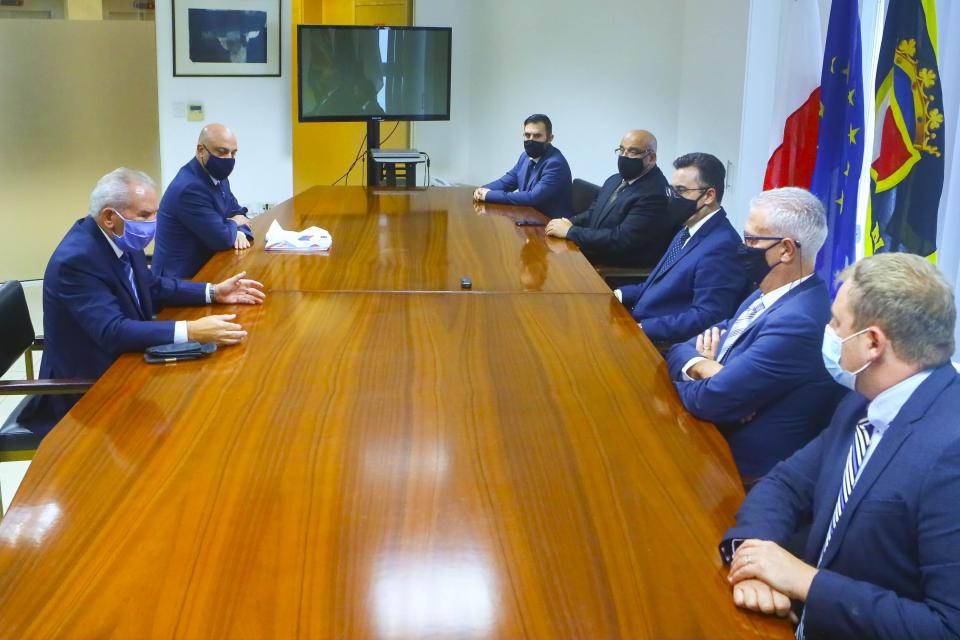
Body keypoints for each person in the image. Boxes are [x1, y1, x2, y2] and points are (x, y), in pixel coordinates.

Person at [721, 253, 960, 639]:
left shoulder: (951, 452)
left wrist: (805, 581)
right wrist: (755, 559)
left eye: (836, 322)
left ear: (872, 343)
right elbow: (786, 483)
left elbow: (947, 627)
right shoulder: (861, 400)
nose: (828, 331)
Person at [21, 168, 265, 432]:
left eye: (156, 213)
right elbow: (113, 331)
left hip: (126, 364)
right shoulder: (77, 260)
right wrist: (192, 330)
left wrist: (213, 292)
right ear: (109, 217)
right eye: (145, 215)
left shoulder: (120, 238)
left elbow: (152, 286)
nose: (154, 223)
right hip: (85, 390)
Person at [665, 188, 845, 483]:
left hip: (737, 471)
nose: (742, 247)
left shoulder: (799, 321)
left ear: (786, 249)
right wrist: (705, 367)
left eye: (751, 240)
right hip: (708, 433)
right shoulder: (766, 293)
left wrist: (715, 383)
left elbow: (712, 401)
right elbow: (682, 347)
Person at [616, 153, 748, 347]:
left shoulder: (723, 246)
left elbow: (707, 317)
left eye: (681, 190)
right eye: (671, 190)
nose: (673, 198)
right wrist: (617, 295)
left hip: (660, 344)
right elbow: (657, 283)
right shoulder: (687, 228)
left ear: (709, 195)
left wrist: (642, 328)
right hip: (637, 321)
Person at [544, 130, 673, 267]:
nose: (624, 156)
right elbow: (593, 213)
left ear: (651, 158)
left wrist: (570, 231)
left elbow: (621, 239)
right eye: (621, 150)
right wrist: (568, 222)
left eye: (632, 152)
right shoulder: (615, 179)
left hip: (613, 266)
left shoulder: (654, 193)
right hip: (591, 250)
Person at [152, 123, 253, 279]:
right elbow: (221, 239)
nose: (229, 159)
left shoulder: (219, 177)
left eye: (233, 153)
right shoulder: (190, 188)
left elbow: (239, 213)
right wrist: (234, 224)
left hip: (205, 265)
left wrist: (239, 231)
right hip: (179, 279)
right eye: (222, 152)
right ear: (201, 150)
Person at [473, 114, 573, 219]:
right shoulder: (525, 157)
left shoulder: (555, 164)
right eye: (527, 135)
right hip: (529, 217)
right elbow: (505, 182)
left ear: (549, 138)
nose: (531, 140)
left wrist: (488, 195)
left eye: (537, 136)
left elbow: (532, 198)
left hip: (549, 222)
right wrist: (481, 190)